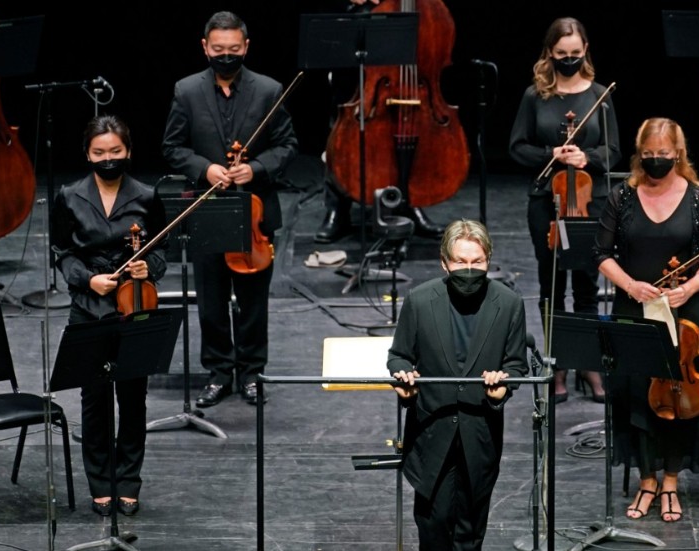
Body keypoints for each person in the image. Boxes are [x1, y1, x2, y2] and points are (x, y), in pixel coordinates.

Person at [162, 10, 298, 407]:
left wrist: (253, 169)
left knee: (254, 300)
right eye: (218, 49)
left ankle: (252, 371)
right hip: (206, 209)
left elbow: (288, 146)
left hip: (254, 210)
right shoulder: (186, 91)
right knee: (210, 299)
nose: (226, 55)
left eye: (233, 49)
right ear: (205, 47)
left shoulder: (269, 90)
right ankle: (219, 372)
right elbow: (172, 147)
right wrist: (206, 169)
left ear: (246, 47)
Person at [593, 117, 699, 522]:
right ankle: (645, 479)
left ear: (678, 154)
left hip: (683, 313)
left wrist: (688, 287)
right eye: (648, 155)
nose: (655, 161)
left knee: (680, 395)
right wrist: (631, 286)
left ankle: (670, 480)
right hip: (636, 307)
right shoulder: (623, 197)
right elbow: (601, 254)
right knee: (638, 392)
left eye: (663, 155)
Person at [51, 114, 167, 517]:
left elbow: (159, 250)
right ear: (87, 154)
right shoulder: (69, 195)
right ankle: (101, 483)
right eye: (99, 152)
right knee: (94, 399)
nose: (108, 158)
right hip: (89, 307)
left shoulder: (147, 196)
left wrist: (147, 267)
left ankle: (129, 480)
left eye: (115, 151)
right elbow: (62, 253)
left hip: (134, 305)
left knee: (134, 398)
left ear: (128, 151)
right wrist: (87, 280)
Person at [388, 219, 528, 550]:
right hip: (431, 433)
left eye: (476, 262)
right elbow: (399, 356)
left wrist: (500, 391)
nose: (468, 269)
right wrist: (405, 383)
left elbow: (516, 364)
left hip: (479, 436)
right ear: (444, 262)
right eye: (460, 262)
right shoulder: (420, 300)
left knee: (469, 533)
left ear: (488, 260)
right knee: (432, 528)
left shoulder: (508, 304)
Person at [508, 16, 619, 403]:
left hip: (591, 201)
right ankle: (556, 365)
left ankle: (589, 363)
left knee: (588, 286)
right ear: (550, 54)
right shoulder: (535, 96)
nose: (568, 60)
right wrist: (550, 154)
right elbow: (516, 147)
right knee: (552, 286)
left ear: (585, 51)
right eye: (561, 55)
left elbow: (613, 151)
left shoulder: (600, 95)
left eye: (575, 54)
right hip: (547, 202)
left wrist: (584, 157)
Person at [313, 0, 444, 243]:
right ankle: (337, 208)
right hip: (357, 63)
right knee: (342, 136)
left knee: (409, 130)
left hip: (405, 74)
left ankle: (409, 200)